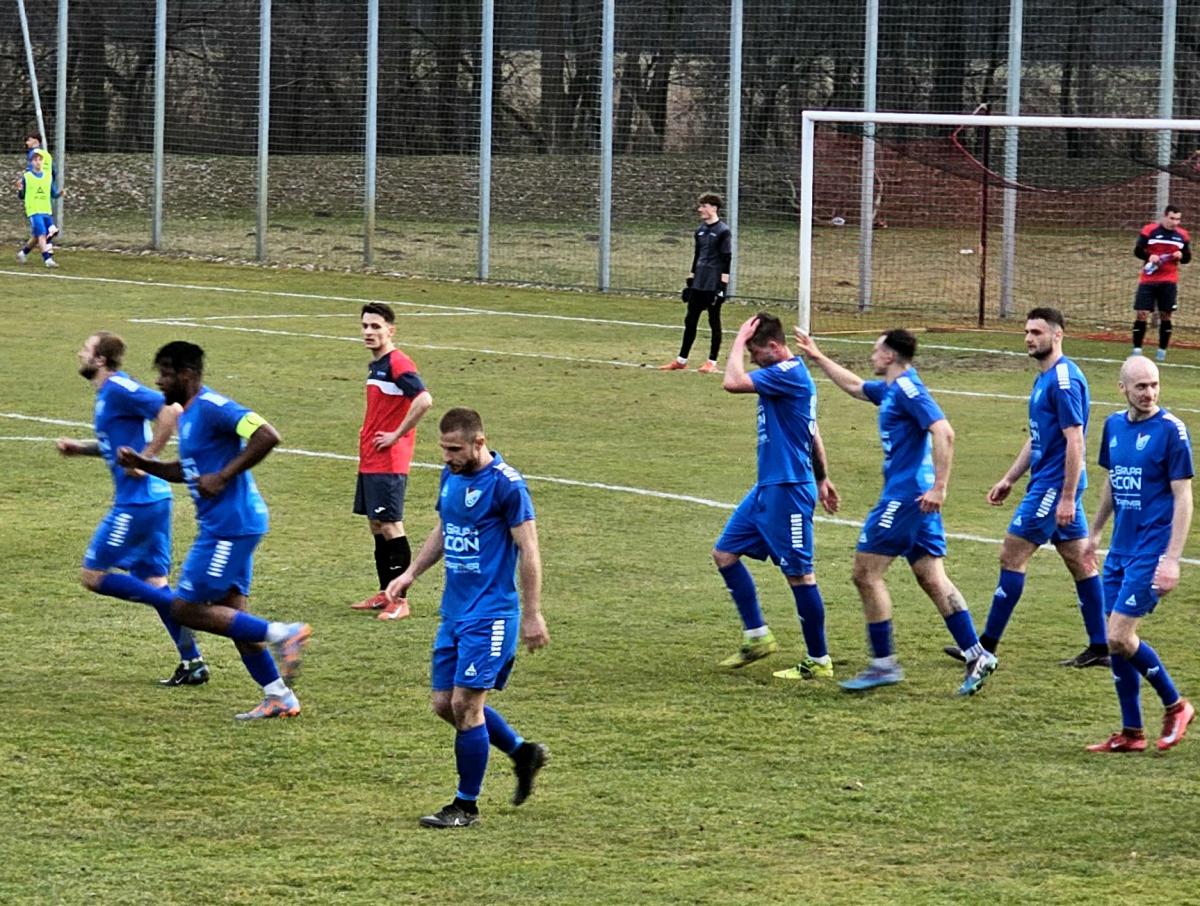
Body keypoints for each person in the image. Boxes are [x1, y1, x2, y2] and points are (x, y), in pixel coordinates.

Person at [793, 328, 997, 695]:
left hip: (906, 497)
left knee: (865, 574)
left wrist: (940, 487)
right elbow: (856, 387)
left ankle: (883, 664)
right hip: (916, 499)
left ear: (889, 356)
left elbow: (944, 431)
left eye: (876, 351)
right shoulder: (891, 389)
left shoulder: (908, 390)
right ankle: (976, 654)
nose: (871, 356)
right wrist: (818, 356)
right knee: (931, 577)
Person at [117, 341, 312, 720]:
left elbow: (267, 434)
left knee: (184, 609)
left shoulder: (214, 407)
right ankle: (279, 697)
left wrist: (224, 475)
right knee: (235, 617)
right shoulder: (189, 415)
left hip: (229, 527)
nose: (160, 381)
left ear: (188, 375)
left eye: (166, 374)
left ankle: (283, 634)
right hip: (229, 525)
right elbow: (187, 470)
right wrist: (145, 463)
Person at [386, 408, 549, 828]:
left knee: (466, 705)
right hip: (454, 611)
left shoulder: (507, 485)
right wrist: (410, 573)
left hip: (492, 613)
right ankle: (522, 752)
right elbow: (445, 528)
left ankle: (465, 806)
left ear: (479, 442)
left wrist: (532, 614)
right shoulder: (451, 475)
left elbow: (529, 551)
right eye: (443, 449)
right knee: (444, 705)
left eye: (455, 449)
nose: (447, 457)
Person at [946, 307, 1108, 670]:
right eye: (1026, 332)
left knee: (1012, 554)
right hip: (1050, 482)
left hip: (1054, 486)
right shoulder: (1044, 378)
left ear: (1057, 335)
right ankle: (1101, 646)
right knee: (1079, 561)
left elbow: (1075, 440)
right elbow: (1038, 439)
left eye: (1036, 332)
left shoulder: (1063, 381)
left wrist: (1067, 496)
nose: (1029, 339)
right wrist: (1009, 478)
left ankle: (985, 648)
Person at [56, 331, 209, 686]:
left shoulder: (119, 388)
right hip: (152, 500)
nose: (79, 353)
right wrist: (81, 449)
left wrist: (148, 458)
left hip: (138, 503)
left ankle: (182, 607)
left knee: (93, 576)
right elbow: (117, 444)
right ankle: (193, 663)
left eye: (85, 349)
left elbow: (170, 410)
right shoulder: (107, 394)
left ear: (100, 360)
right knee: (154, 582)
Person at [713, 313, 839, 680]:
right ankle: (757, 636)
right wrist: (823, 477)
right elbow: (812, 431)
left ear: (773, 346)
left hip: (789, 489)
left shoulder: (788, 373)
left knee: (800, 575)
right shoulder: (781, 376)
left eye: (754, 352)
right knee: (724, 553)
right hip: (768, 486)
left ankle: (819, 660)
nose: (752, 359)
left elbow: (731, 382)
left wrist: (737, 340)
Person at [1086, 356, 1194, 753]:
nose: (1149, 393)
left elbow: (1184, 498)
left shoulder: (1171, 431)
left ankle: (1176, 705)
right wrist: (1095, 531)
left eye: (1154, 385)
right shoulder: (1113, 426)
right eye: (1141, 386)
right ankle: (1132, 732)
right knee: (1115, 641)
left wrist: (1172, 559)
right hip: (1120, 549)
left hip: (1151, 551)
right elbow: (1113, 481)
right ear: (1123, 389)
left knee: (1118, 635)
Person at [349, 302, 433, 620]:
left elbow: (424, 400)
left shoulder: (398, 362)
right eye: (365, 326)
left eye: (376, 326)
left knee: (390, 525)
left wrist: (397, 434)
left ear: (390, 330)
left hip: (388, 461)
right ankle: (385, 593)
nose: (368, 332)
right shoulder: (377, 365)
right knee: (376, 524)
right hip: (371, 459)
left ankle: (400, 600)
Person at [659, 192, 732, 374]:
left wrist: (722, 287)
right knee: (690, 320)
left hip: (713, 283)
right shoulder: (699, 230)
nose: (700, 209)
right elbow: (697, 255)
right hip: (699, 281)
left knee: (714, 320)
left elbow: (726, 259)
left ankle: (712, 362)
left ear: (713, 208)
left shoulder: (723, 231)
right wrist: (691, 280)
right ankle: (681, 360)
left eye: (704, 206)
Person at [1132, 205, 1190, 362]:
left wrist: (1181, 256)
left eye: (1178, 219)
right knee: (1142, 313)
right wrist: (1149, 256)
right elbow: (1138, 251)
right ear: (1164, 217)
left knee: (1166, 315)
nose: (1175, 222)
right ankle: (1137, 350)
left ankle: (1162, 350)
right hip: (1148, 279)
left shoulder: (1182, 235)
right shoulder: (1149, 230)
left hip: (1169, 280)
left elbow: (1187, 258)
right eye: (1172, 218)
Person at [17, 148, 61, 267]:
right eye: (35, 160)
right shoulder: (27, 177)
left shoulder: (47, 176)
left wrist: (59, 194)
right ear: (31, 162)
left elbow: (53, 193)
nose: (38, 162)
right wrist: (20, 190)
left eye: (40, 160)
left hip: (46, 210)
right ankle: (47, 259)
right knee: (42, 234)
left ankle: (23, 253)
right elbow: (21, 196)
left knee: (37, 236)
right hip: (34, 210)